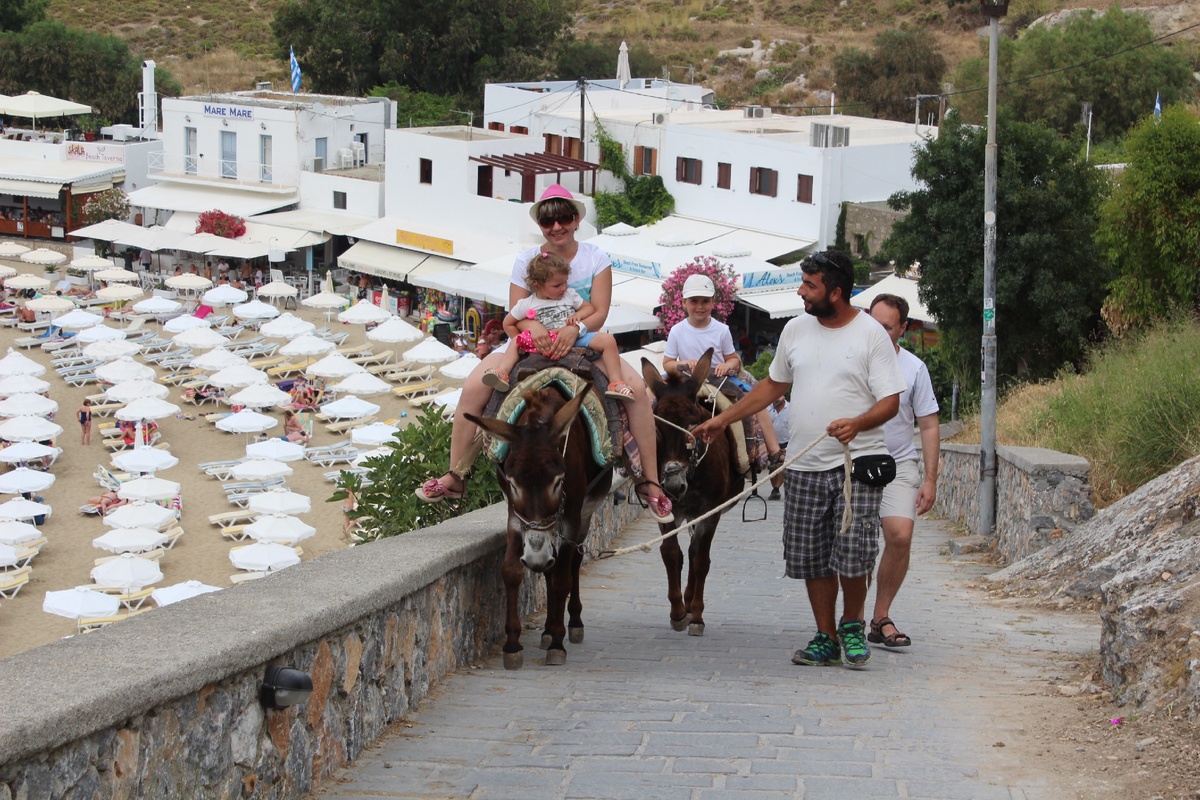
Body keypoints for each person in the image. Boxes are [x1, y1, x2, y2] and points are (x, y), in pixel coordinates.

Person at [692, 250, 903, 669]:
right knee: (812, 554)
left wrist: (858, 423)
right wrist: (723, 420)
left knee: (854, 553)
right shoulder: (794, 330)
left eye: (810, 285)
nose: (801, 291)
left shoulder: (871, 335)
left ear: (837, 292)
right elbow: (772, 386)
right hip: (804, 465)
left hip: (854, 465)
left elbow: (891, 402)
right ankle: (825, 636)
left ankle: (852, 626)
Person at [415, 184, 673, 523]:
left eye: (563, 218)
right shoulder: (526, 260)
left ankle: (649, 482)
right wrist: (533, 330)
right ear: (540, 225)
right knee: (475, 387)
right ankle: (456, 475)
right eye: (548, 221)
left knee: (637, 391)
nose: (556, 227)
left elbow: (600, 310)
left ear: (576, 219)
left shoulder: (596, 258)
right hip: (530, 345)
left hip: (581, 341)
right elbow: (517, 311)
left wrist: (573, 330)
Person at [867, 293, 940, 649]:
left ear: (903, 329)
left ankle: (881, 616)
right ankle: (848, 619)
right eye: (872, 322)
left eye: (887, 327)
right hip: (854, 464)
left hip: (898, 463)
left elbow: (928, 424)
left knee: (900, 536)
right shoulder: (854, 360)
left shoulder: (914, 369)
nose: (878, 332)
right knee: (856, 544)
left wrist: (930, 478)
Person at [662, 273, 783, 470]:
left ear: (713, 303)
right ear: (684, 303)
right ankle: (643, 454)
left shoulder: (721, 330)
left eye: (705, 301)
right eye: (694, 301)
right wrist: (682, 364)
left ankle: (773, 451)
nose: (700, 306)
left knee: (755, 401)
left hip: (716, 379)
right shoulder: (677, 330)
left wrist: (728, 365)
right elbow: (667, 363)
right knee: (650, 399)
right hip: (687, 380)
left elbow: (733, 359)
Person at [482, 252, 636, 402]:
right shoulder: (527, 303)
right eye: (557, 285)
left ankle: (616, 382)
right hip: (543, 343)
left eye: (565, 282)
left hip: (573, 338)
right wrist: (522, 339)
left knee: (608, 340)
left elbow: (589, 308)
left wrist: (579, 315)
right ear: (537, 285)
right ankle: (503, 372)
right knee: (515, 343)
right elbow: (508, 323)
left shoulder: (569, 295)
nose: (563, 287)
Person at [768, 396, 790, 500]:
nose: (776, 399)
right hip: (771, 444)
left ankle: (776, 489)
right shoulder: (768, 409)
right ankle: (775, 488)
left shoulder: (791, 409)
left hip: (787, 444)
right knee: (773, 467)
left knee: (782, 465)